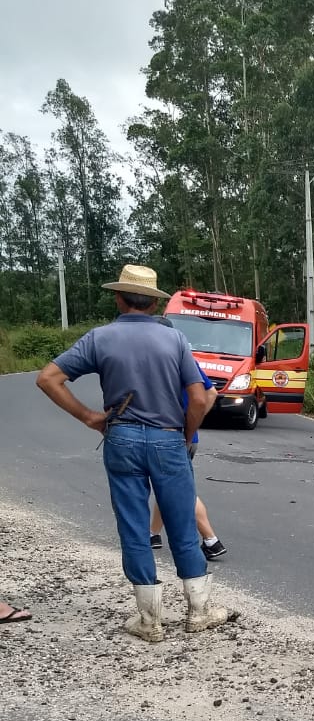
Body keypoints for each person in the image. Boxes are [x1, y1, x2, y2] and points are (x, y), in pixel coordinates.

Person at [35, 264, 232, 642]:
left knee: (134, 526)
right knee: (181, 524)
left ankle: (149, 620)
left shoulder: (99, 338)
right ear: (154, 303)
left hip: (122, 438)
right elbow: (199, 397)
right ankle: (199, 612)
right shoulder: (174, 340)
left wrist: (90, 417)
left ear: (119, 298)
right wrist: (185, 434)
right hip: (168, 439)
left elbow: (48, 378)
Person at [149, 364, 226, 561]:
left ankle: (211, 540)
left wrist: (186, 430)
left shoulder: (163, 363)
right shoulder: (185, 361)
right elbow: (211, 393)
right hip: (188, 437)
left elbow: (210, 394)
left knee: (182, 490)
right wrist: (192, 426)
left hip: (173, 437)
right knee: (166, 484)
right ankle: (153, 535)